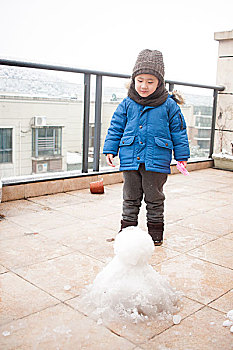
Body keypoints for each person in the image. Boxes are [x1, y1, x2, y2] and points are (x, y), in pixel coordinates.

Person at [103, 49, 190, 245]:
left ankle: (155, 236)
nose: (144, 86)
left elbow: (179, 131)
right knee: (130, 198)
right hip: (130, 157)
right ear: (133, 80)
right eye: (140, 80)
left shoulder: (169, 105)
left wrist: (182, 155)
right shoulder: (127, 104)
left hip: (157, 159)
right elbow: (116, 127)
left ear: (160, 83)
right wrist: (110, 149)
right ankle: (127, 234)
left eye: (150, 81)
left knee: (154, 199)